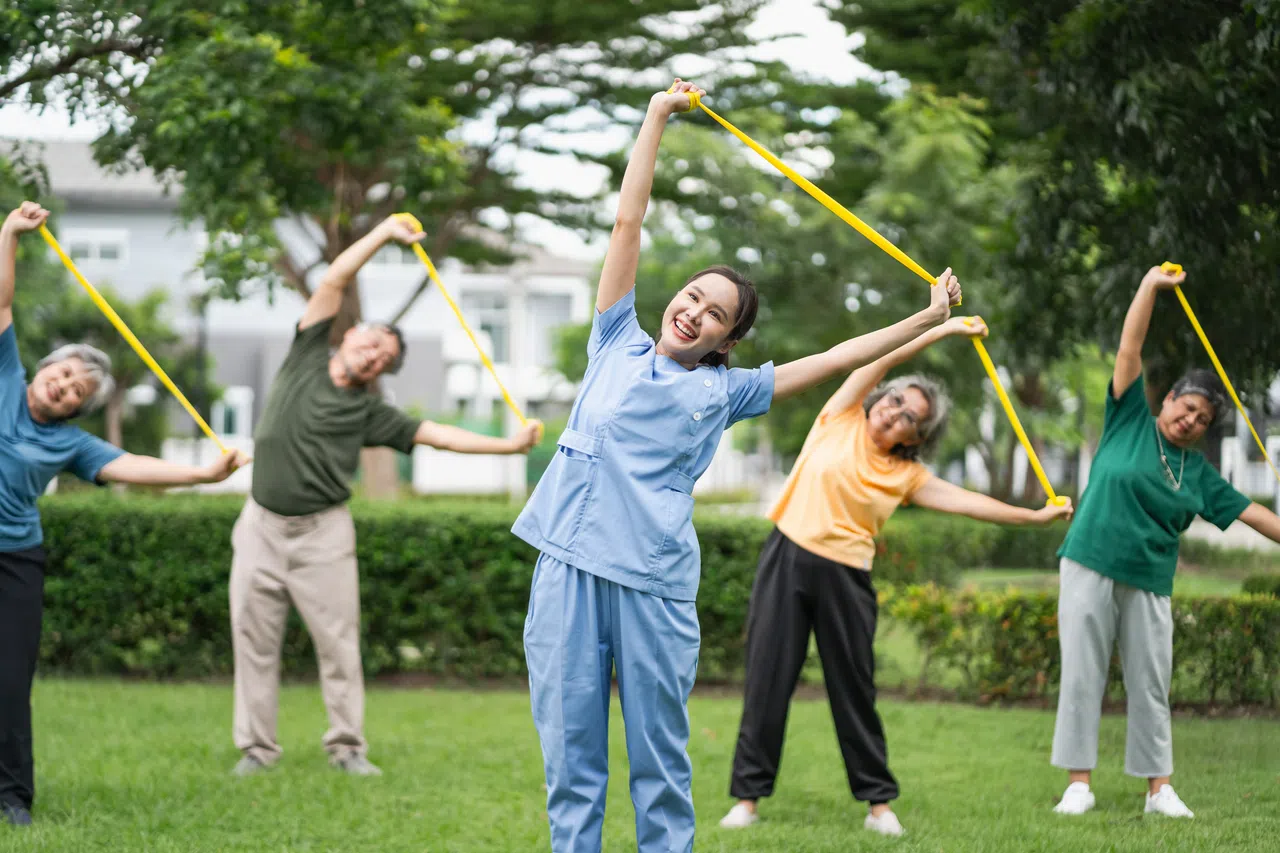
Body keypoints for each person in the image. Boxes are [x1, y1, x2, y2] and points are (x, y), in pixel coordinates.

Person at [511, 79, 964, 853]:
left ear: (725, 339)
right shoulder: (613, 340)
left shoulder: (726, 390)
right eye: (692, 295)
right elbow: (629, 219)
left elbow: (832, 358)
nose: (693, 310)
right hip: (566, 567)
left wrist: (924, 319)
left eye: (714, 312)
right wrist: (656, 115)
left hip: (649, 582)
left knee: (658, 758)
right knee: (570, 755)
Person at [718, 314, 1075, 836]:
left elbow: (971, 503)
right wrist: (942, 331)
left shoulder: (908, 475)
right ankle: (747, 800)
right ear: (878, 399)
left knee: (854, 692)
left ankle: (878, 804)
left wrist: (1034, 516)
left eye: (911, 416)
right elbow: (882, 358)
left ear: (918, 435)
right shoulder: (838, 416)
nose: (896, 414)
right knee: (767, 681)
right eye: (895, 401)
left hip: (847, 579)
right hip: (786, 558)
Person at [229, 213, 541, 778]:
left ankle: (347, 747)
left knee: (339, 646)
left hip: (323, 533)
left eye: (384, 358)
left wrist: (509, 446)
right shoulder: (303, 356)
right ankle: (256, 750)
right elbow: (334, 279)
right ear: (348, 334)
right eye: (370, 339)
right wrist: (384, 234)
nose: (373, 353)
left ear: (381, 372)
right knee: (253, 643)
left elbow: (437, 436)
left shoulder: (371, 412)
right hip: (260, 525)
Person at [0, 201, 250, 827]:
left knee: (7, 684)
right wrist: (8, 233)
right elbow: (2, 304)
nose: (63, 386)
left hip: (14, 560)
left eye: (76, 391)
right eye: (62, 373)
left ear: (78, 408)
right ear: (44, 368)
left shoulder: (72, 446)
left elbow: (133, 466)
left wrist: (201, 473)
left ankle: (12, 798)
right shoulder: (5, 374)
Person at [1048, 264, 1280, 819]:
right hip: (1089, 559)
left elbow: (1255, 515)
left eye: (1201, 419)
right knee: (1082, 672)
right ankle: (1079, 784)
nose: (1190, 419)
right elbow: (1131, 344)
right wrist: (1150, 286)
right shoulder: (1127, 418)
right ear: (1168, 399)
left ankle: (1159, 790)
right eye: (1186, 406)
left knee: (1151, 683)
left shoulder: (1198, 474)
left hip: (1151, 579)